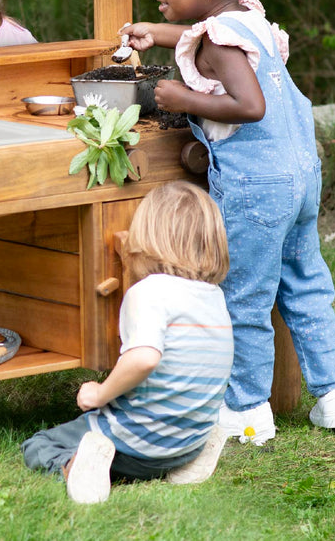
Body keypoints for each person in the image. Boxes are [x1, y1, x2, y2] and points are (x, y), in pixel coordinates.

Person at [120, 0, 335, 445]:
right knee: (305, 283)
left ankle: (248, 409)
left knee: (244, 296)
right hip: (301, 175)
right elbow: (202, 29)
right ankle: (334, 396)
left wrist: (180, 95)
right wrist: (152, 31)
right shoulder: (246, 19)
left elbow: (250, 105)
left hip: (257, 189)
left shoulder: (217, 41)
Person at [21, 181, 234, 504]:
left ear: (146, 238)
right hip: (188, 437)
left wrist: (99, 394)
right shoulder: (214, 298)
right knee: (169, 436)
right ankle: (191, 458)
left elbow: (144, 358)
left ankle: (78, 467)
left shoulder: (149, 292)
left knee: (39, 445)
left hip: (139, 443)